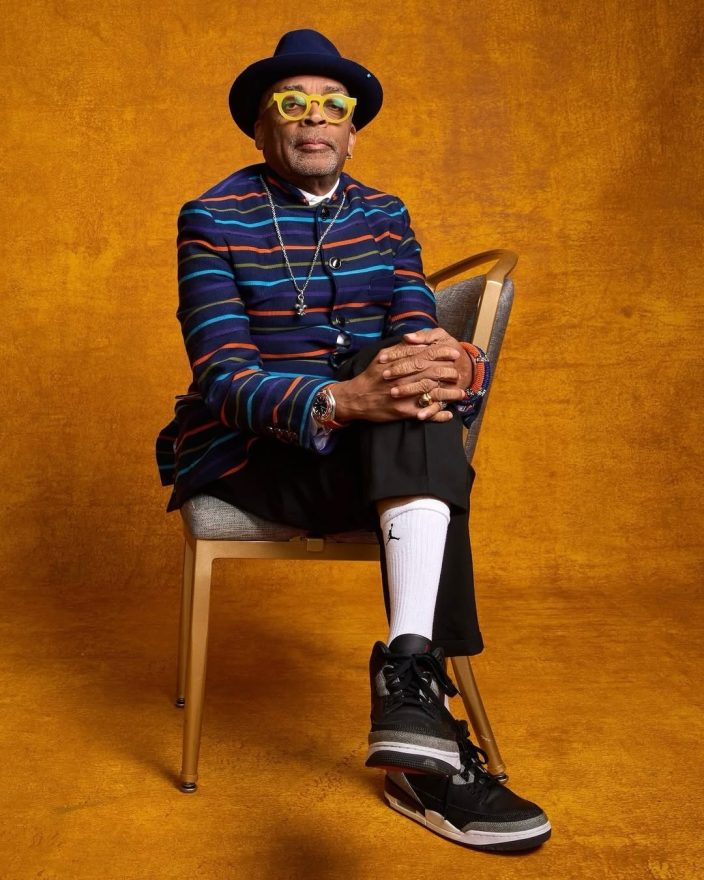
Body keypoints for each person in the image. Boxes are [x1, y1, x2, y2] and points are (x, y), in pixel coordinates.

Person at [156, 28, 550, 852]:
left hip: (378, 453)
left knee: (415, 393)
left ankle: (410, 697)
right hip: (256, 455)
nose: (314, 119)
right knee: (415, 424)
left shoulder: (385, 214)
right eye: (292, 104)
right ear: (261, 127)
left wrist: (458, 363)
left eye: (332, 106)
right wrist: (340, 399)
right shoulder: (212, 218)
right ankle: (424, 741)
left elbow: (414, 327)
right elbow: (223, 375)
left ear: (352, 131)